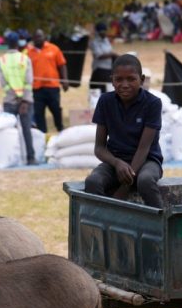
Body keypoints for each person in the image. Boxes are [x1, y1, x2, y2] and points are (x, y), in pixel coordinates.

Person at [83, 54, 163, 209]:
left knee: (145, 181)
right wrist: (116, 162)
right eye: (119, 79)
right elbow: (99, 148)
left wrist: (124, 188)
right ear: (112, 80)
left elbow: (144, 148)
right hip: (115, 161)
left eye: (131, 79)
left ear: (142, 79)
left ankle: (161, 226)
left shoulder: (153, 103)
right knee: (93, 182)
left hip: (147, 160)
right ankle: (103, 224)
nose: (124, 84)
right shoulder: (105, 101)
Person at [0, 31, 35, 165]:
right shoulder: (25, 59)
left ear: (6, 43)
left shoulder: (2, 60)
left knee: (8, 131)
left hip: (9, 100)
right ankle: (31, 158)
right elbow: (29, 81)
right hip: (26, 101)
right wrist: (23, 99)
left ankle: (10, 159)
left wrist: (14, 96)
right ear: (18, 43)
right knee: (26, 130)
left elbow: (3, 83)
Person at [28, 29, 68, 133]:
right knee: (39, 113)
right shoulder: (29, 52)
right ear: (33, 39)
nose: (38, 39)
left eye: (40, 36)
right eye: (36, 37)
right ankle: (43, 134)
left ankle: (60, 129)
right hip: (37, 89)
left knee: (56, 110)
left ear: (44, 37)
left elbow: (62, 65)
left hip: (52, 87)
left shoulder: (54, 49)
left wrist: (65, 80)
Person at [89, 22, 117, 93]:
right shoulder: (94, 42)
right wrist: (112, 55)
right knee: (96, 92)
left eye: (105, 31)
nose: (104, 33)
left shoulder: (106, 40)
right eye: (102, 31)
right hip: (99, 70)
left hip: (108, 70)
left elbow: (110, 51)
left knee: (107, 92)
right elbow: (98, 55)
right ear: (98, 32)